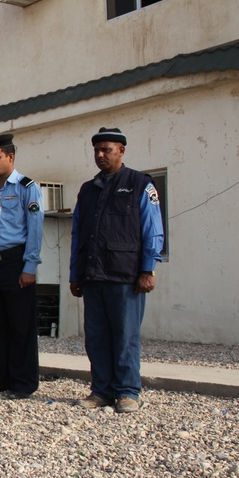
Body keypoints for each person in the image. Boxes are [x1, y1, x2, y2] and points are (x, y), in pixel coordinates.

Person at [70, 127, 163, 413]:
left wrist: (148, 269)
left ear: (121, 151)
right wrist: (75, 274)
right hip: (93, 275)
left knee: (125, 336)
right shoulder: (88, 189)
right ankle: (101, 390)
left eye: (106, 150)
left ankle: (127, 391)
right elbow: (77, 234)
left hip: (126, 276)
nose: (100, 155)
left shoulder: (139, 183)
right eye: (96, 150)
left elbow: (153, 230)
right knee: (96, 337)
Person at [0, 134, 43, 400]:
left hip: (16, 261)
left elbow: (35, 229)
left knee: (20, 325)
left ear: (11, 157)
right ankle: (0, 377)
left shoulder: (26, 187)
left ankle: (23, 382)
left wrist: (30, 266)